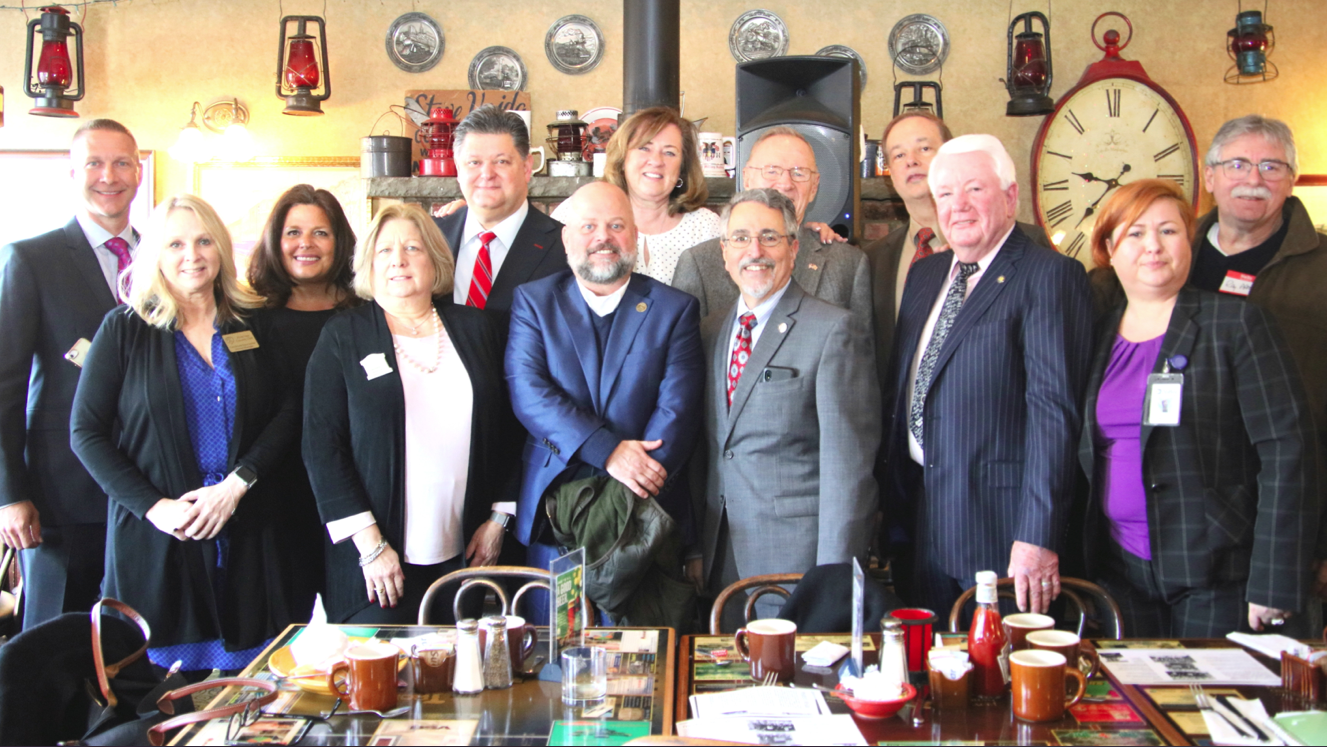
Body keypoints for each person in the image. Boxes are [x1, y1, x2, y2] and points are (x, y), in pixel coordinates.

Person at [70, 195, 298, 674]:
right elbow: (86, 433)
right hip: (162, 538)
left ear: (221, 249)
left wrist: (237, 484)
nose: (192, 255)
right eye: (175, 244)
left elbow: (288, 412)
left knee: (257, 687)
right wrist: (156, 508)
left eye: (203, 241)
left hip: (249, 530)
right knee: (163, 694)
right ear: (154, 253)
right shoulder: (124, 330)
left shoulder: (255, 322)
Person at [1080, 179, 1318, 635]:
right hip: (1120, 574)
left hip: (1218, 573)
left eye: (1168, 231)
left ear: (1188, 243)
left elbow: (1289, 451)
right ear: (1109, 248)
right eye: (1135, 233)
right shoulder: (1095, 333)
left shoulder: (1236, 324)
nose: (1153, 246)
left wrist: (1275, 579)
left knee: (1210, 686)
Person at [882, 135, 1092, 617]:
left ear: (1010, 197)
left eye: (975, 189)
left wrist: (1037, 536)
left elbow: (1055, 415)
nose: (958, 205)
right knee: (930, 662)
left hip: (1002, 533)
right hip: (921, 521)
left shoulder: (1050, 276)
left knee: (1001, 665)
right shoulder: (926, 275)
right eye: (946, 194)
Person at [303, 203, 519, 625]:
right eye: (384, 250)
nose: (398, 260)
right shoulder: (343, 336)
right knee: (383, 666)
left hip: (466, 553)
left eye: (412, 248)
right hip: (376, 563)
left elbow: (511, 431)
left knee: (459, 664)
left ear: (434, 260)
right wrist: (370, 546)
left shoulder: (479, 329)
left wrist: (498, 520)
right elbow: (322, 447)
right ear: (368, 264)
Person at [506, 181, 704, 614]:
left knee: (643, 649)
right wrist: (608, 451)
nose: (603, 237)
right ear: (566, 238)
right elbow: (529, 391)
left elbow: (679, 408)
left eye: (616, 225)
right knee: (558, 644)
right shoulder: (534, 303)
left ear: (634, 234)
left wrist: (630, 484)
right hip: (556, 513)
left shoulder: (675, 309)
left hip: (643, 518)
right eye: (589, 226)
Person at [691, 188, 879, 625]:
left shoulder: (834, 330)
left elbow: (849, 469)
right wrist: (695, 548)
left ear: (793, 249)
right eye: (740, 238)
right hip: (721, 557)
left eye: (770, 237)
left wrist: (832, 579)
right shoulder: (709, 331)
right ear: (724, 253)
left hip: (798, 563)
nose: (754, 251)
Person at [0, 119, 143, 630]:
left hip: (149, 494)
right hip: (62, 498)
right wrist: (9, 495)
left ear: (138, 172)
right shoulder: (30, 259)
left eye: (122, 163)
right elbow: (5, 387)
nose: (109, 176)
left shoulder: (165, 257)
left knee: (137, 646)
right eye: (94, 163)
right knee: (54, 647)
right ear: (72, 174)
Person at [1189, 115, 1327, 610]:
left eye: (1271, 167)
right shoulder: (1170, 257)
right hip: (1187, 520)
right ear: (1209, 176)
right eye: (1238, 165)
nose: (1253, 179)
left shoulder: (1321, 269)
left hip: (1289, 521)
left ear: (1291, 180)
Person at [864, 112, 1050, 393]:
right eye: (899, 155)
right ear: (889, 174)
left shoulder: (1024, 242)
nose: (911, 161)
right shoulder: (874, 259)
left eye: (924, 148)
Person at [246, 184, 360, 621]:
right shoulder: (249, 318)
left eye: (321, 233)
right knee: (281, 632)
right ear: (275, 241)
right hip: (275, 500)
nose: (305, 244)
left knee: (358, 629)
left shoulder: (367, 313)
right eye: (293, 232)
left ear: (340, 241)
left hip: (353, 496)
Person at [672, 127, 872, 331]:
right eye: (772, 171)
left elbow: (859, 348)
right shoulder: (699, 264)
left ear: (814, 187)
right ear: (747, 178)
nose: (785, 183)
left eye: (799, 173)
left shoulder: (848, 265)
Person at [549, 106, 719, 284]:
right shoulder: (575, 210)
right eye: (644, 148)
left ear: (682, 168)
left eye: (669, 152)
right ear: (623, 158)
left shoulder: (707, 228)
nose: (656, 161)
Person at [432, 105, 568, 324]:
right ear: (458, 169)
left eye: (501, 161)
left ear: (526, 168)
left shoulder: (565, 247)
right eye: (474, 163)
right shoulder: (429, 237)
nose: (487, 174)